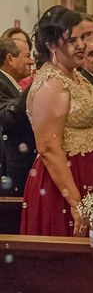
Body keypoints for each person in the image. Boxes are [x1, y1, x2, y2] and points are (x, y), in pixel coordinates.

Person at [20, 6, 93, 236]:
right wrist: (75, 202)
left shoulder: (75, 75)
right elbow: (48, 148)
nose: (82, 45)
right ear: (52, 45)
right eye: (72, 40)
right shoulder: (51, 84)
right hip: (66, 184)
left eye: (82, 37)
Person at [0, 38, 35, 195]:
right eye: (27, 56)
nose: (32, 61)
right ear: (10, 59)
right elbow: (9, 116)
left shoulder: (10, 84)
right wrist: (36, 84)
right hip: (11, 172)